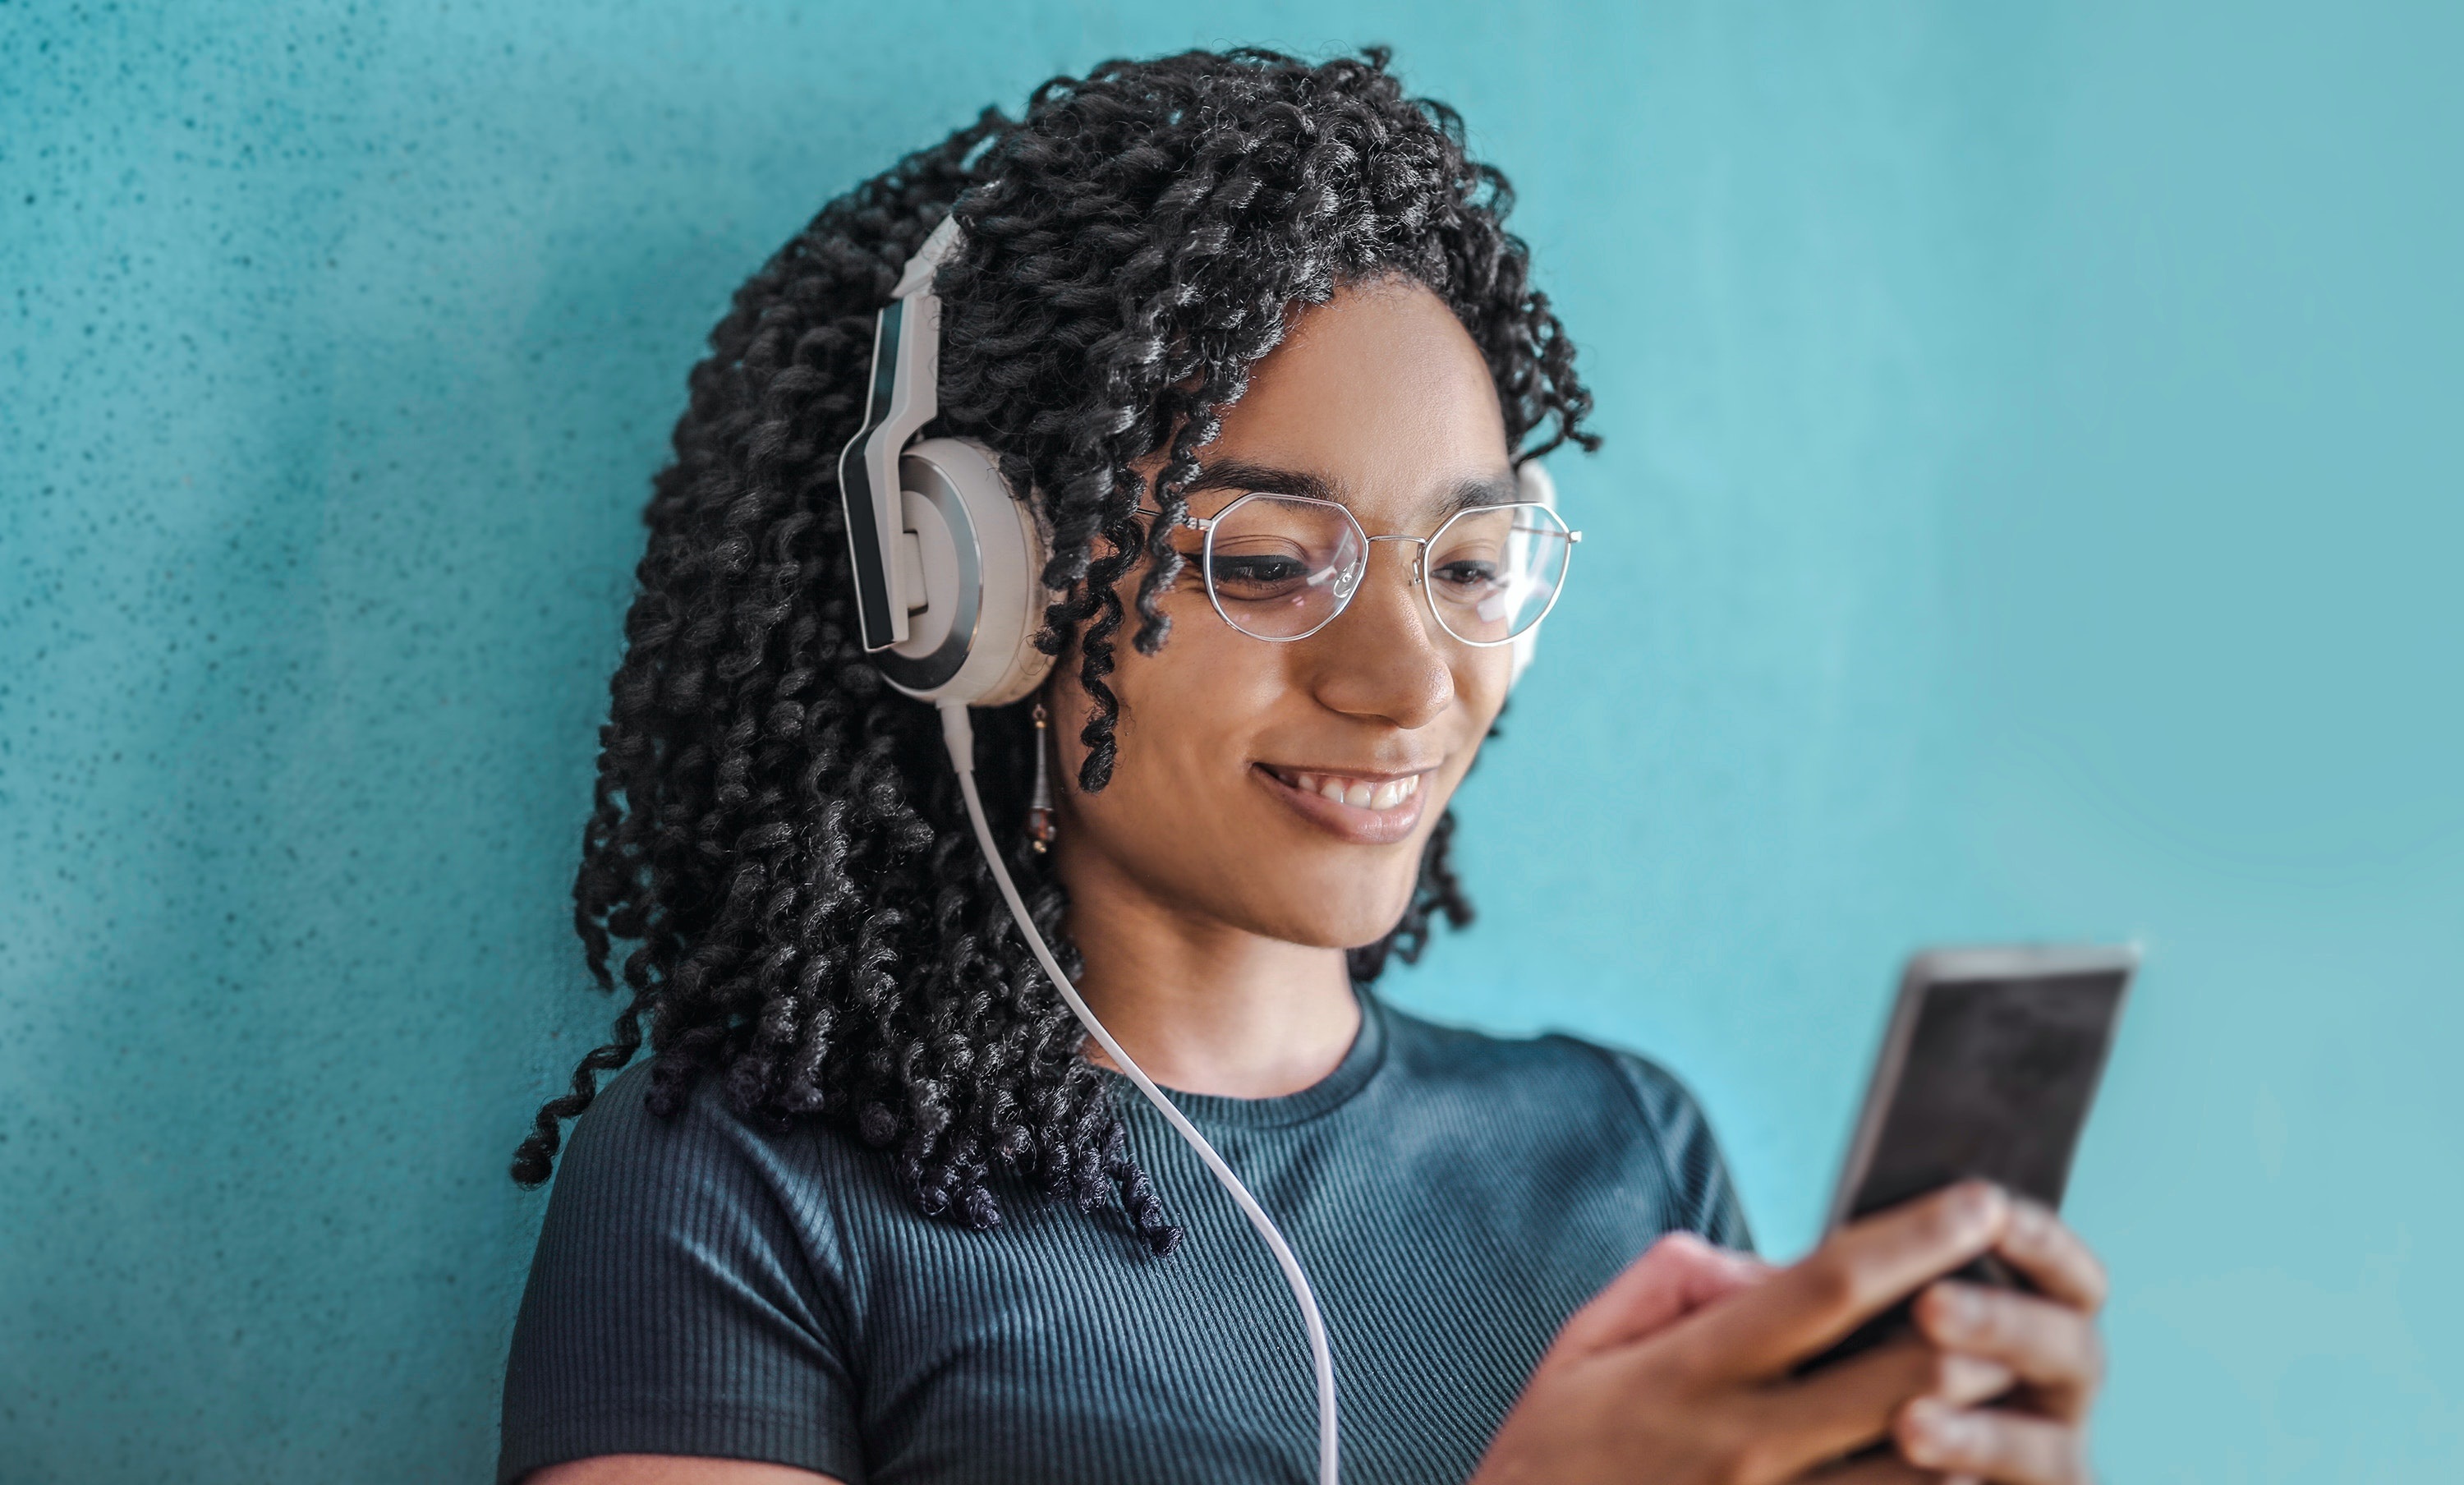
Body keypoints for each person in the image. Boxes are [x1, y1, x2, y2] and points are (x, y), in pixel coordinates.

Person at [498, 48, 2107, 1485]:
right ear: (973, 591)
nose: (1406, 683)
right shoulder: (751, 1185)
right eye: (1265, 563)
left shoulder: (1625, 1152)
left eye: (1468, 564)